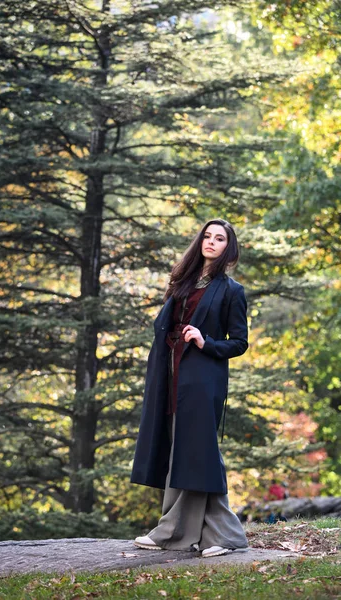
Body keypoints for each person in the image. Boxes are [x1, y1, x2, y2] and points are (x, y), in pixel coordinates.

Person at [130, 218, 249, 558]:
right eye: (207, 236)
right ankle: (222, 535)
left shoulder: (231, 291)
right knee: (183, 451)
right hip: (171, 375)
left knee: (196, 451)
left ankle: (173, 533)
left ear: (229, 247)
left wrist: (204, 340)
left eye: (220, 238)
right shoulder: (183, 281)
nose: (211, 242)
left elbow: (239, 342)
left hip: (202, 379)